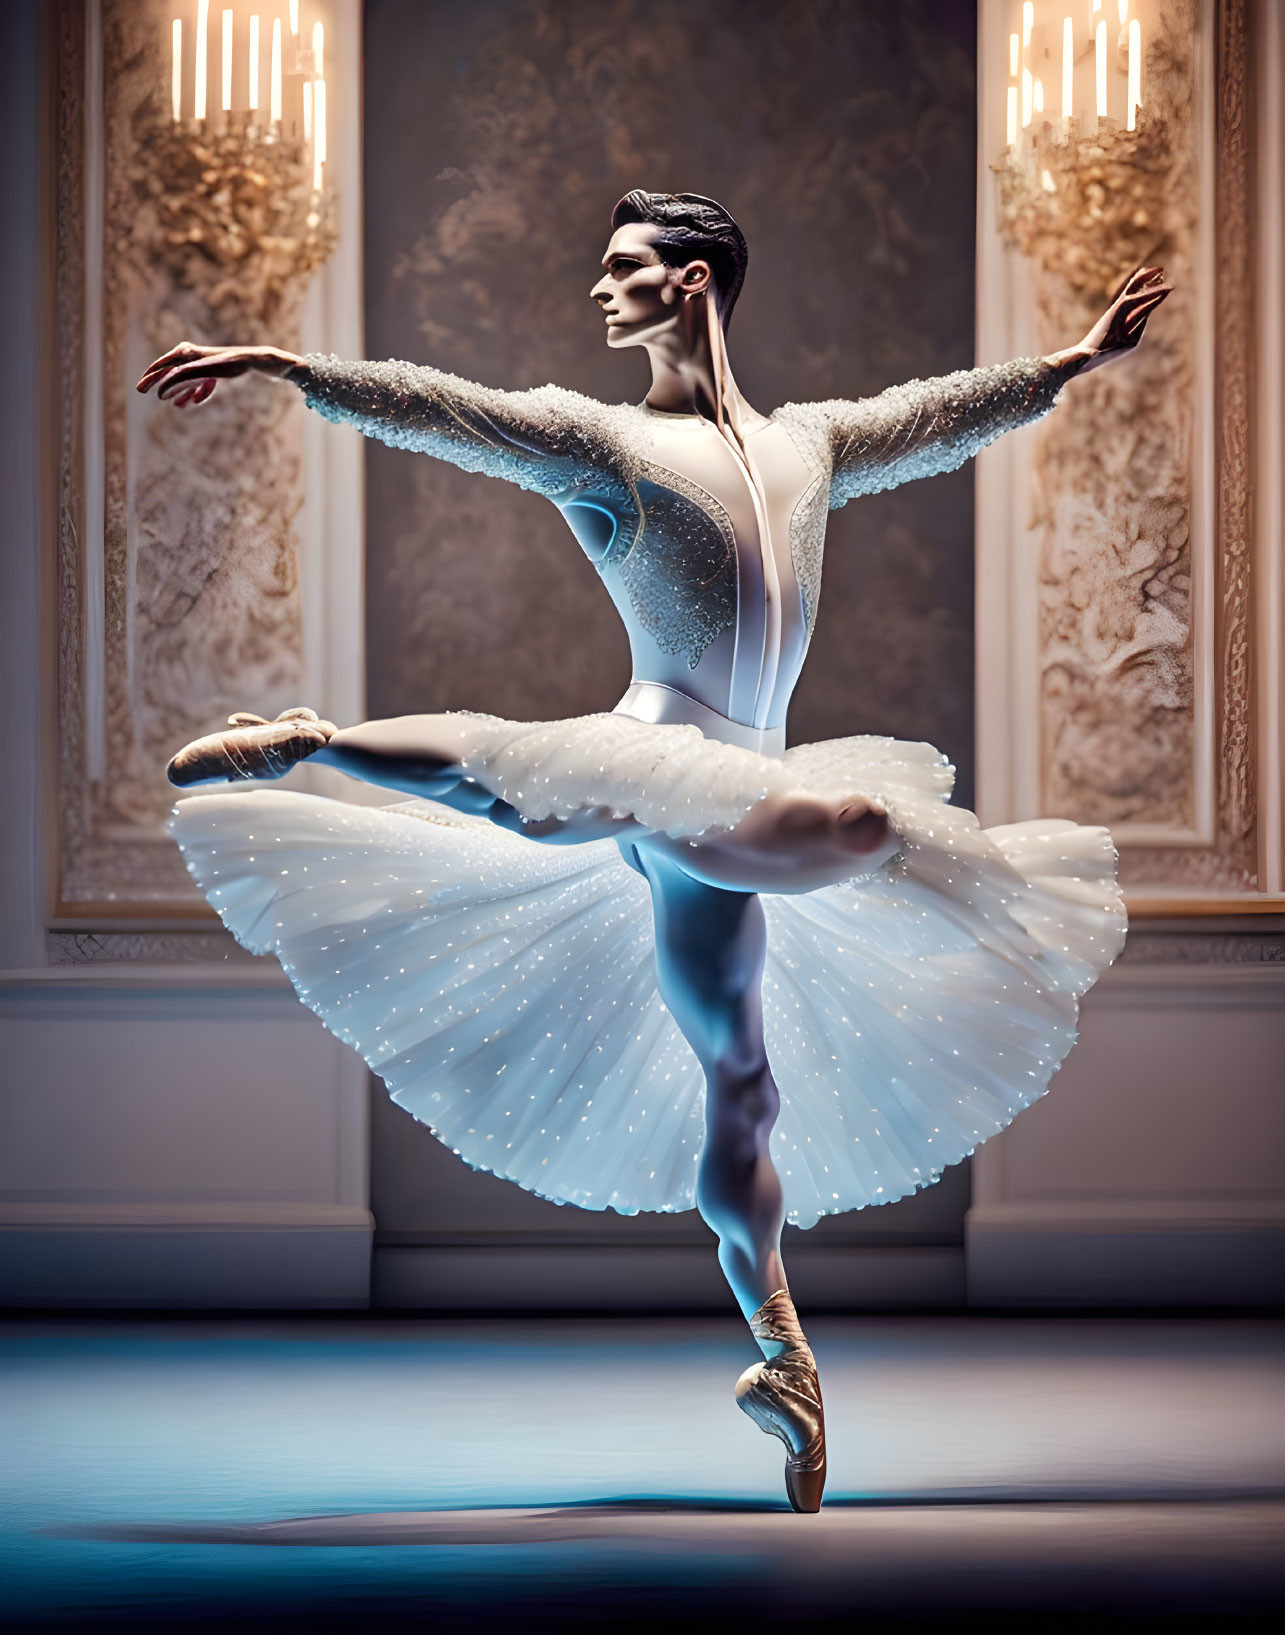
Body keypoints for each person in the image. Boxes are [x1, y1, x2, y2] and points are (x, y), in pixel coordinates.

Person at [138, 191, 1168, 1512]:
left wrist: (1069, 366)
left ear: (693, 281)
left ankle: (781, 1358)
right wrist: (291, 371)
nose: (600, 289)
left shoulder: (815, 444)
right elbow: (443, 408)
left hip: (732, 809)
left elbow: (939, 413)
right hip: (655, 756)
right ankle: (315, 742)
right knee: (680, 801)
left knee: (741, 1080)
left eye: (623, 267)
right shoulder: (600, 443)